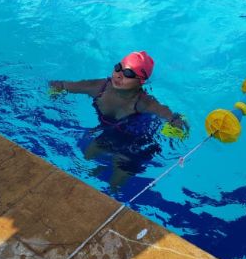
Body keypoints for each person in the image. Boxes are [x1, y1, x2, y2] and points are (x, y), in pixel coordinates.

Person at [49, 50, 188, 188]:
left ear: (141, 81)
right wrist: (55, 91)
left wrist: (177, 124)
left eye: (128, 73)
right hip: (110, 135)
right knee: (83, 162)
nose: (119, 75)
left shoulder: (143, 102)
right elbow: (61, 85)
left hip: (137, 144)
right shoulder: (99, 87)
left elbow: (174, 117)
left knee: (114, 185)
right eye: (118, 68)